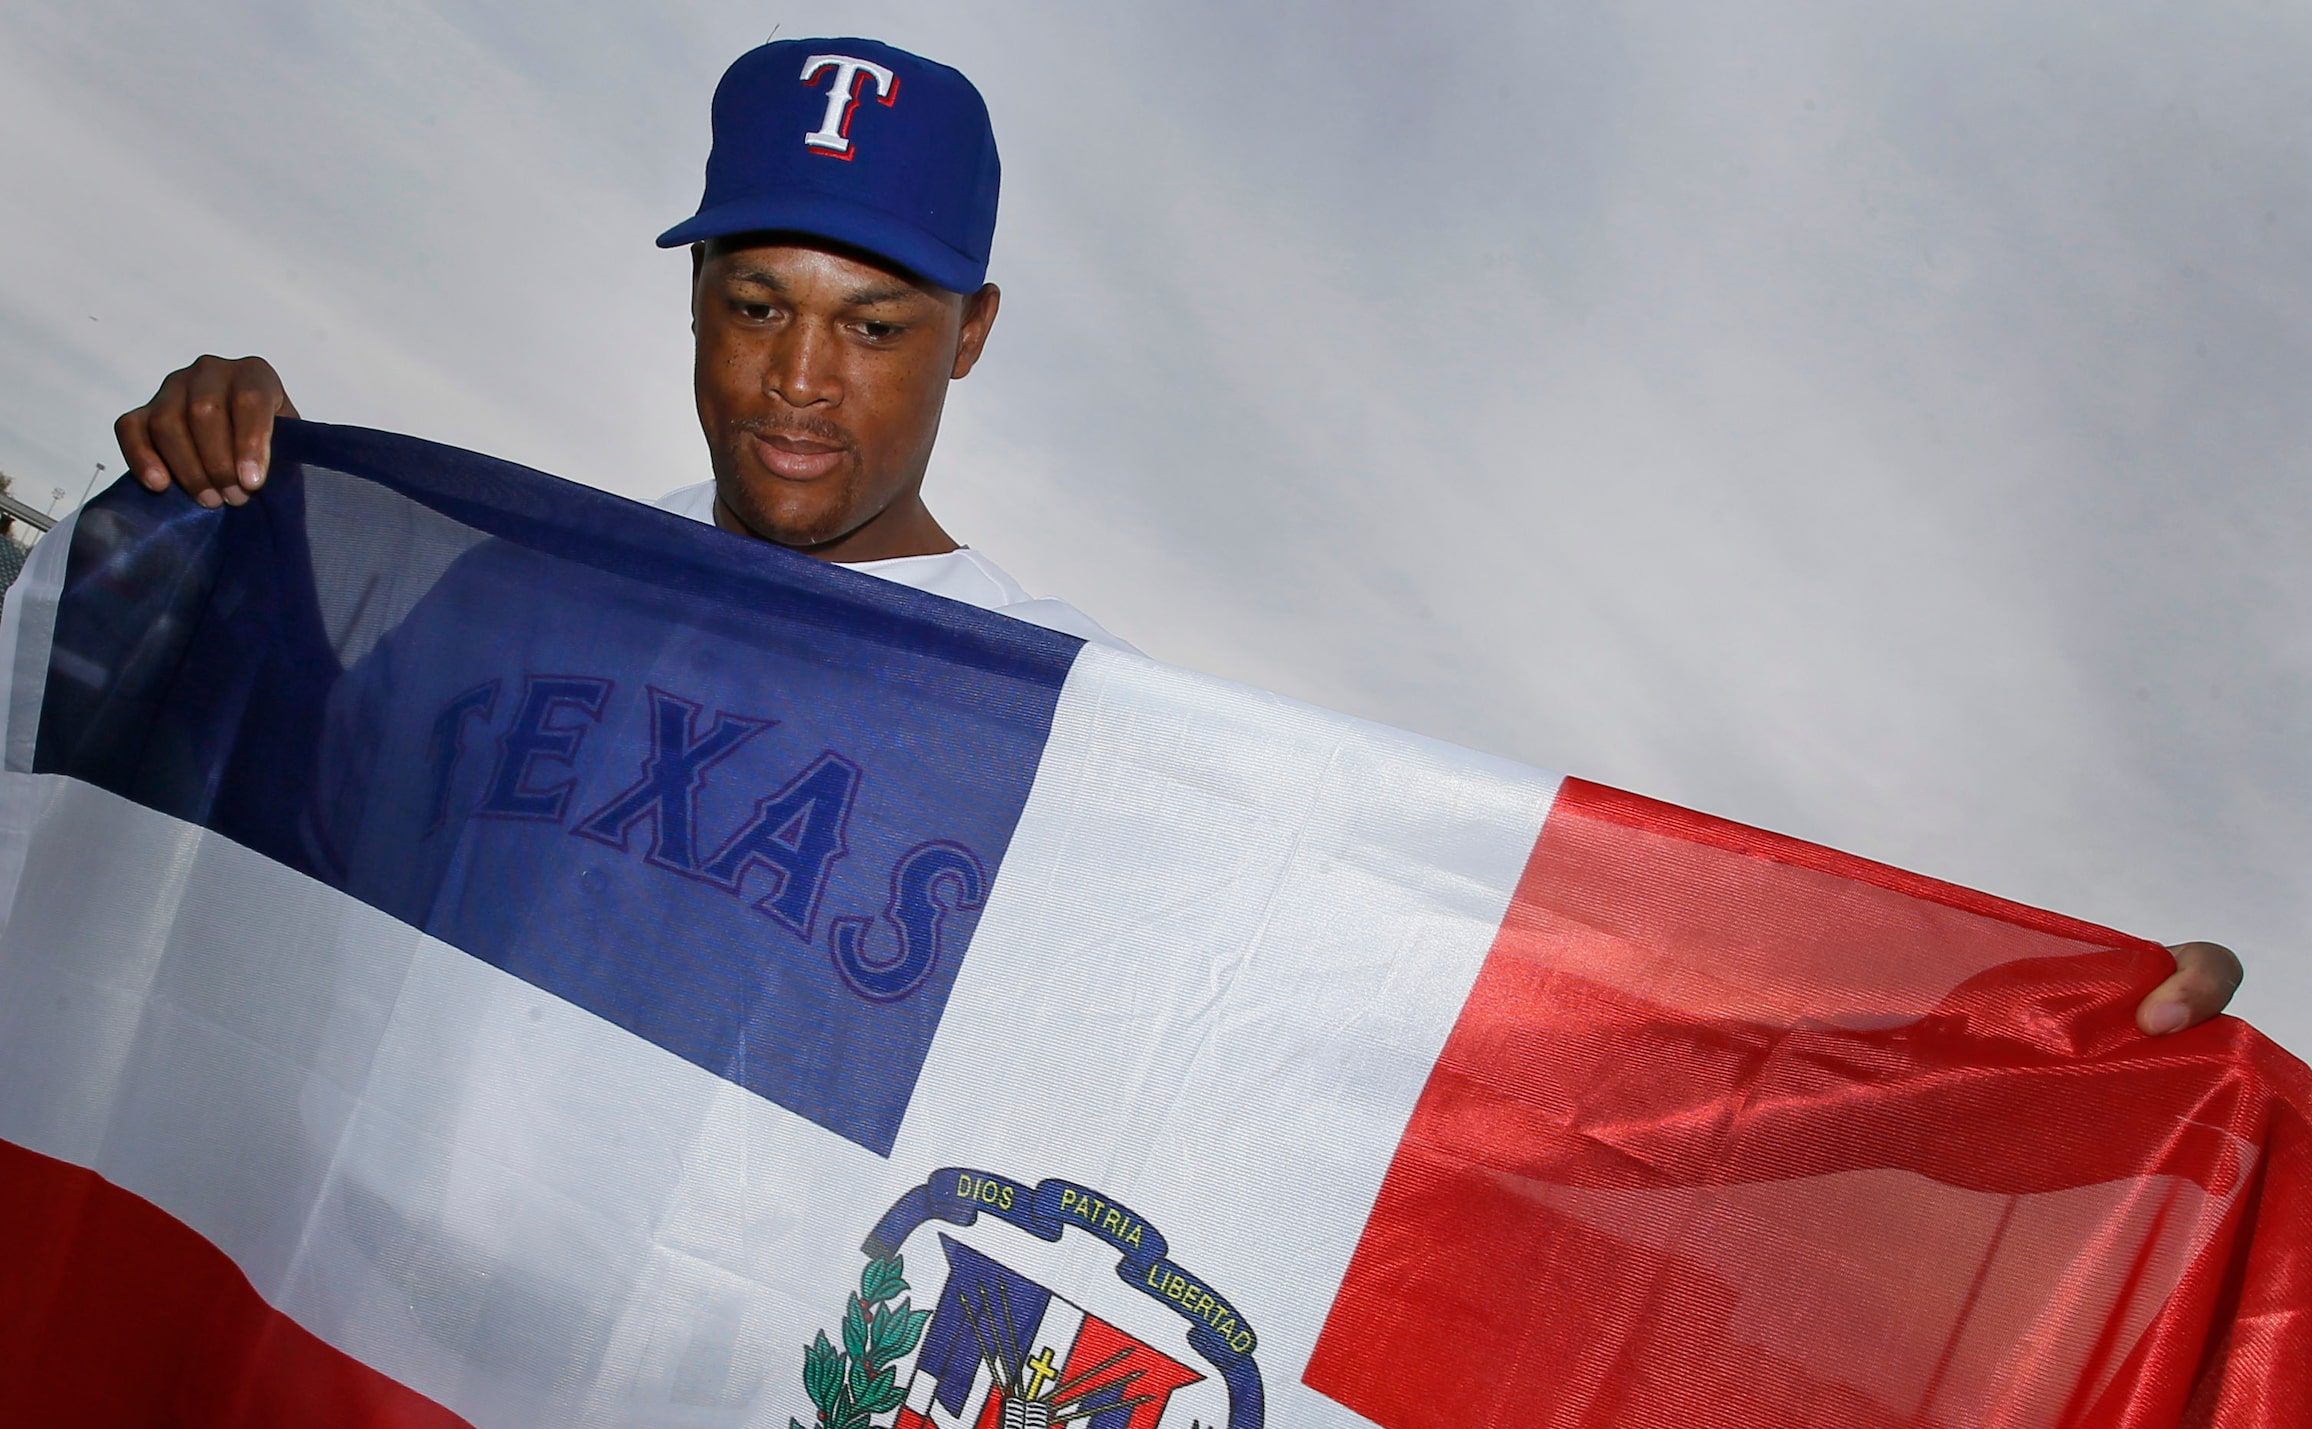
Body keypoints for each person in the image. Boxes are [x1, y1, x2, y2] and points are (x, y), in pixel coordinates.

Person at [106, 35, 2241, 1036]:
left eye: (872, 324)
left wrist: (1980, 1024)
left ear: (974, 336)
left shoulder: (1047, 715)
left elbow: (1473, 1005)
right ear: (688, 300)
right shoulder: (508, 589)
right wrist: (213, 524)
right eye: (755, 304)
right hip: (382, 1409)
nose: (797, 382)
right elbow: (236, 847)